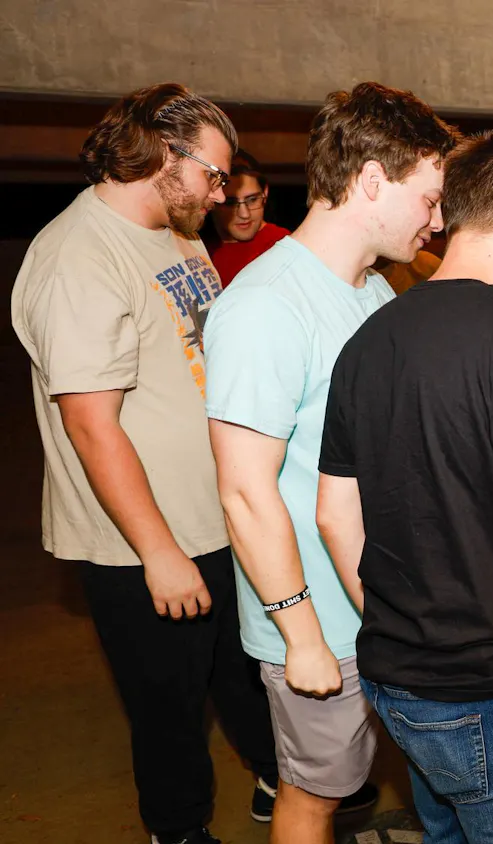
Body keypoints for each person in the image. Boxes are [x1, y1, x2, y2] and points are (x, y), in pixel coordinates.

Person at [316, 129, 493, 844]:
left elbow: (333, 515)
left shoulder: (369, 337)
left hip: (395, 681)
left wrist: (407, 626)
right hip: (489, 692)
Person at [10, 82, 279, 844]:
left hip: (216, 515)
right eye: (214, 174)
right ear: (165, 153)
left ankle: (281, 786)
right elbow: (92, 426)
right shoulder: (77, 257)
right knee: (169, 708)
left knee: (246, 676)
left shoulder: (179, 232)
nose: (222, 193)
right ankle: (179, 830)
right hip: (144, 542)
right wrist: (158, 552)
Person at [203, 82, 457, 844]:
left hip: (386, 607)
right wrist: (302, 636)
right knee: (317, 796)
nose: (437, 220)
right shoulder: (265, 307)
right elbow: (246, 492)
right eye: (430, 198)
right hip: (322, 624)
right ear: (373, 182)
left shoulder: (373, 291)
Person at [206, 150, 290, 286]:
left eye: (252, 200)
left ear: (265, 193)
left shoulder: (283, 247)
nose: (244, 214)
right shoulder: (196, 245)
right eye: (231, 203)